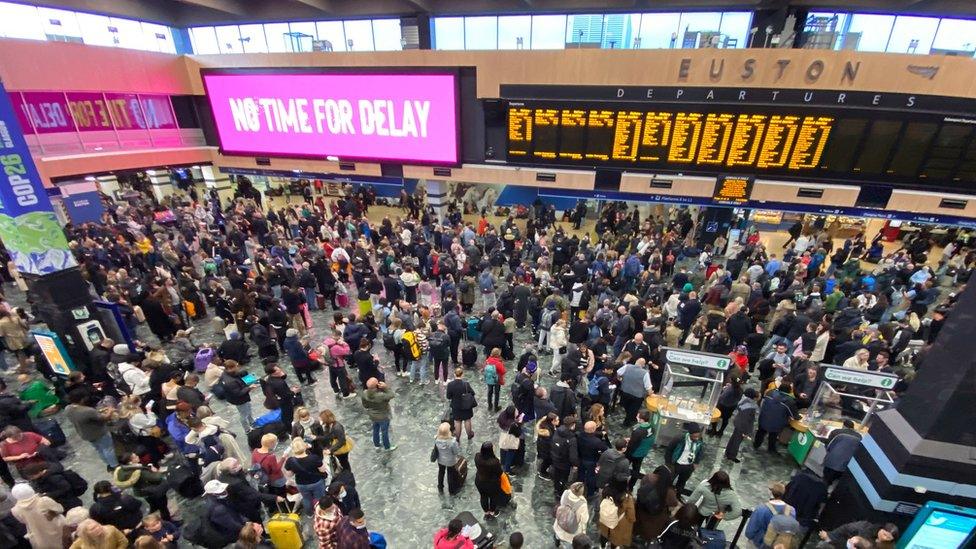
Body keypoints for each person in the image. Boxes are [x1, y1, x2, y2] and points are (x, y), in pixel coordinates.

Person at [64, 391, 118, 471]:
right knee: (108, 449)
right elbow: (104, 418)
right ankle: (115, 466)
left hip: (85, 434)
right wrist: (110, 410)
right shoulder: (87, 411)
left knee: (99, 449)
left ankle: (108, 464)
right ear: (82, 400)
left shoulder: (68, 408)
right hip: (99, 433)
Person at [745, 482, 799, 549]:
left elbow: (749, 533)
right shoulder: (791, 510)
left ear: (771, 492)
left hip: (759, 544)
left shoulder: (761, 509)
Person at [284, 438, 328, 515]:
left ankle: (309, 514)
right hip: (316, 482)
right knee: (319, 498)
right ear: (304, 446)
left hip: (301, 484)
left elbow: (289, 475)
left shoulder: (290, 461)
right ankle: (320, 513)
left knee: (306, 499)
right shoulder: (314, 458)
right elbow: (322, 470)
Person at [635, 465, 679, 541]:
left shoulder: (648, 477)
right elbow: (673, 505)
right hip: (655, 521)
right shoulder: (669, 491)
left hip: (639, 513)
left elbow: (640, 490)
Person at [753, 382, 799, 455]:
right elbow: (794, 416)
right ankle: (771, 449)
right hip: (776, 424)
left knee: (760, 432)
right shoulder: (790, 401)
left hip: (763, 418)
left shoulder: (769, 393)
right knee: (773, 436)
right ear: (789, 391)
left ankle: (756, 444)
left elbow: (762, 403)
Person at [664, 423, 704, 494]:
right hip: (676, 465)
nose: (697, 438)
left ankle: (678, 496)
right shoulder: (679, 438)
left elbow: (700, 451)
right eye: (695, 436)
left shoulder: (699, 440)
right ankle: (667, 496)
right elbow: (669, 450)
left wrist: (696, 463)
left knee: (682, 483)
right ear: (690, 434)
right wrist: (669, 464)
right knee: (669, 481)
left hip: (688, 466)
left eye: (698, 436)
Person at [822, 419, 862, 485]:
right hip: (846, 465)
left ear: (844, 425)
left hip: (832, 462)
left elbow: (828, 446)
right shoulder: (859, 436)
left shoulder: (836, 432)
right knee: (836, 481)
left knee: (826, 480)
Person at [724, 388, 759, 463]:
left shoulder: (743, 400)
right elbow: (749, 420)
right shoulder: (752, 407)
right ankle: (732, 456)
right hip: (742, 426)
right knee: (737, 441)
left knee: (733, 438)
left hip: (737, 422)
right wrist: (747, 431)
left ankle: (728, 452)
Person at [219, 360, 255, 432]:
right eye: (236, 366)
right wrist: (249, 387)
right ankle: (247, 429)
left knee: (247, 409)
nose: (237, 367)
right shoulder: (230, 382)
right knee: (244, 414)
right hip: (239, 400)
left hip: (234, 397)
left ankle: (252, 422)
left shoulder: (226, 374)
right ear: (230, 368)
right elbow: (238, 393)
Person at [361, 378, 396, 451]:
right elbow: (392, 395)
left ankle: (376, 445)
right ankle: (387, 447)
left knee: (375, 430)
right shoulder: (381, 395)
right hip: (383, 416)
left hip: (373, 415)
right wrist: (386, 387)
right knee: (384, 432)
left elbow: (365, 405)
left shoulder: (364, 393)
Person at [597, 483, 636, 548]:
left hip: (605, 520)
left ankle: (602, 546)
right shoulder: (627, 498)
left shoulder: (606, 491)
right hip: (618, 525)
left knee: (604, 535)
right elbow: (631, 516)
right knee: (614, 540)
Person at [616, 358, 653, 427]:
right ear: (643, 365)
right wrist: (651, 394)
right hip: (637, 396)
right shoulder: (645, 373)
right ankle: (626, 423)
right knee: (632, 410)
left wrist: (620, 378)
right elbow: (648, 387)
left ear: (636, 362)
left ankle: (631, 418)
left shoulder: (627, 366)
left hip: (625, 391)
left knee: (626, 406)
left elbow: (618, 372)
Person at [474, 442, 506, 519]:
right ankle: (492, 512)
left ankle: (486, 512)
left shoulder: (477, 457)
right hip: (492, 484)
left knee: (483, 496)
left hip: (480, 481)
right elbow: (499, 473)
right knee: (493, 497)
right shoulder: (495, 462)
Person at [550, 415, 580, 498]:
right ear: (572, 425)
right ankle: (560, 492)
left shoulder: (557, 431)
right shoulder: (572, 439)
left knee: (557, 476)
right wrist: (575, 464)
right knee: (563, 478)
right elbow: (573, 456)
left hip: (555, 458)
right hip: (564, 463)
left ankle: (556, 488)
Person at [624, 411, 655, 489]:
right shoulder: (651, 427)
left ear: (642, 420)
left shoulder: (638, 431)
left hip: (634, 453)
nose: (636, 418)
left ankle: (622, 483)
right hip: (643, 452)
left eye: (638, 417)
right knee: (636, 470)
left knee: (624, 467)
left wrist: (627, 447)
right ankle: (631, 486)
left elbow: (632, 445)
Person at [553, 482, 588, 547]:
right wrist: (583, 533)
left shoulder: (566, 493)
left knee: (557, 534)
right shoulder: (582, 504)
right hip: (571, 531)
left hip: (560, 522)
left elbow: (561, 503)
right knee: (568, 544)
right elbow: (584, 520)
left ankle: (557, 542)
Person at [818, 521, 899, 549]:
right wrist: (830, 536)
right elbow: (845, 528)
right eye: (884, 534)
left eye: (888, 538)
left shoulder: (888, 546)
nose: (885, 538)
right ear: (882, 529)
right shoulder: (864, 527)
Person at [445, 368, 476, 441]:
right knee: (467, 420)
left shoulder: (450, 385)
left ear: (454, 374)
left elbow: (448, 396)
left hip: (456, 406)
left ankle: (457, 438)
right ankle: (469, 435)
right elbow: (473, 393)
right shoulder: (466, 384)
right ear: (462, 374)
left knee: (457, 421)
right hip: (466, 406)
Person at [433, 422, 462, 494]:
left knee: (441, 472)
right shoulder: (452, 441)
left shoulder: (436, 439)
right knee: (450, 474)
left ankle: (440, 487)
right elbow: (456, 452)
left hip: (440, 460)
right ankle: (451, 490)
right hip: (450, 461)